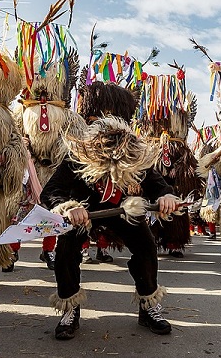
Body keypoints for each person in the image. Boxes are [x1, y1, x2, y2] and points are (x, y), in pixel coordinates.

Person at [41, 81, 178, 340]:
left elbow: (158, 185)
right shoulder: (79, 155)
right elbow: (50, 191)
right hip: (84, 213)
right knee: (67, 249)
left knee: (146, 246)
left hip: (123, 212)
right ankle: (70, 308)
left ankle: (148, 306)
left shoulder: (136, 154)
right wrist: (68, 208)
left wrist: (166, 197)